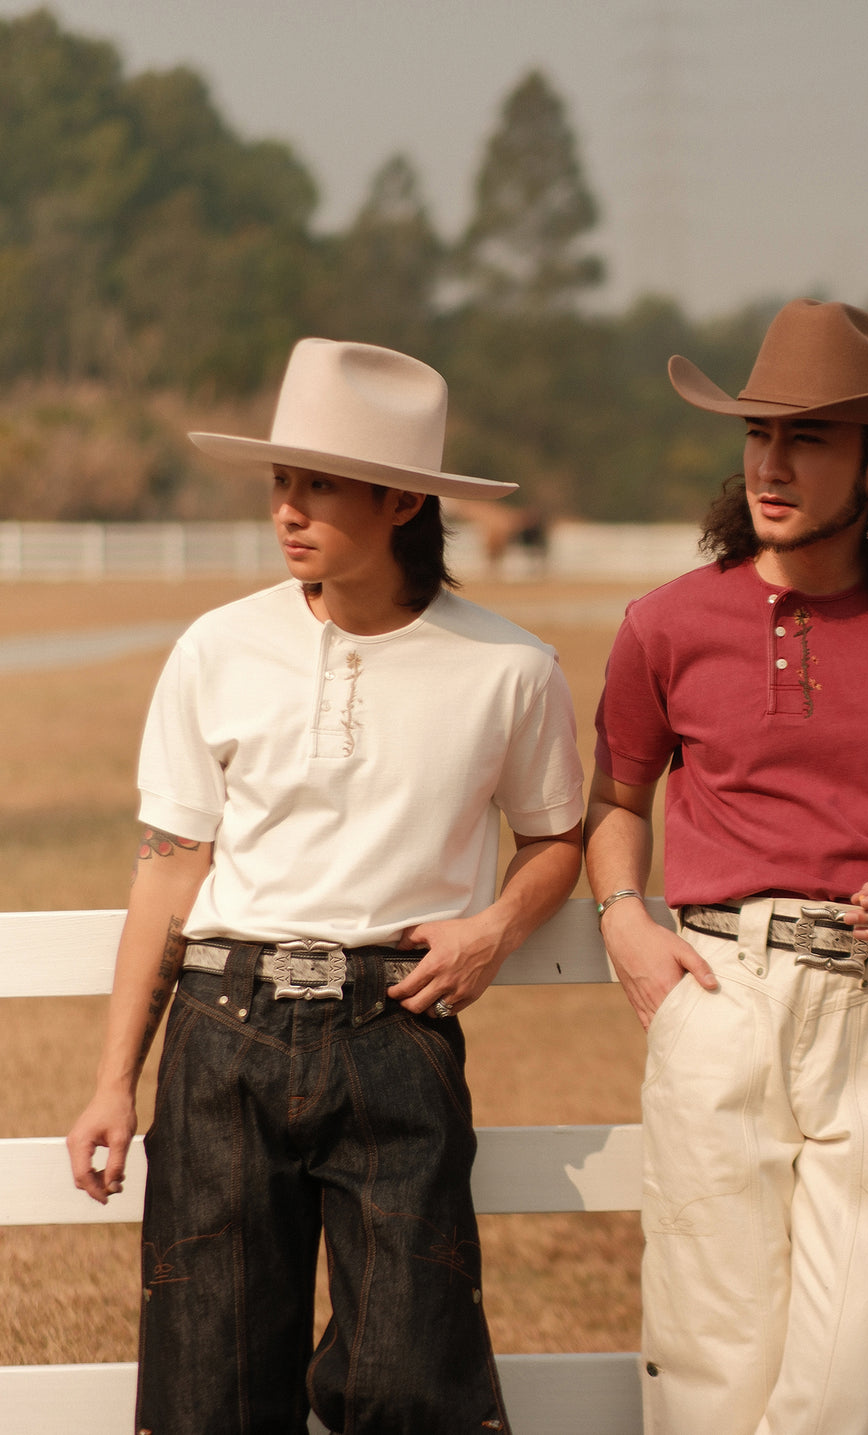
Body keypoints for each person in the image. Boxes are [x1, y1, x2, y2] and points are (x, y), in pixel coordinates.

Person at [67, 338, 584, 1435]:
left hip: (396, 1028)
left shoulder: (512, 667)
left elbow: (555, 838)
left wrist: (495, 929)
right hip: (223, 1028)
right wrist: (115, 1081)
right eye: (281, 481)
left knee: (411, 1381)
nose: (288, 511)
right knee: (209, 1387)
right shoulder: (217, 647)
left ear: (403, 499)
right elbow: (168, 870)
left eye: (320, 485)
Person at [585, 299, 868, 1435]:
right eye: (758, 434)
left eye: (808, 438)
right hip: (718, 995)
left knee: (850, 1378)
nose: (771, 465)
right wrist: (624, 919)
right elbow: (614, 804)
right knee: (709, 1363)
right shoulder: (665, 623)